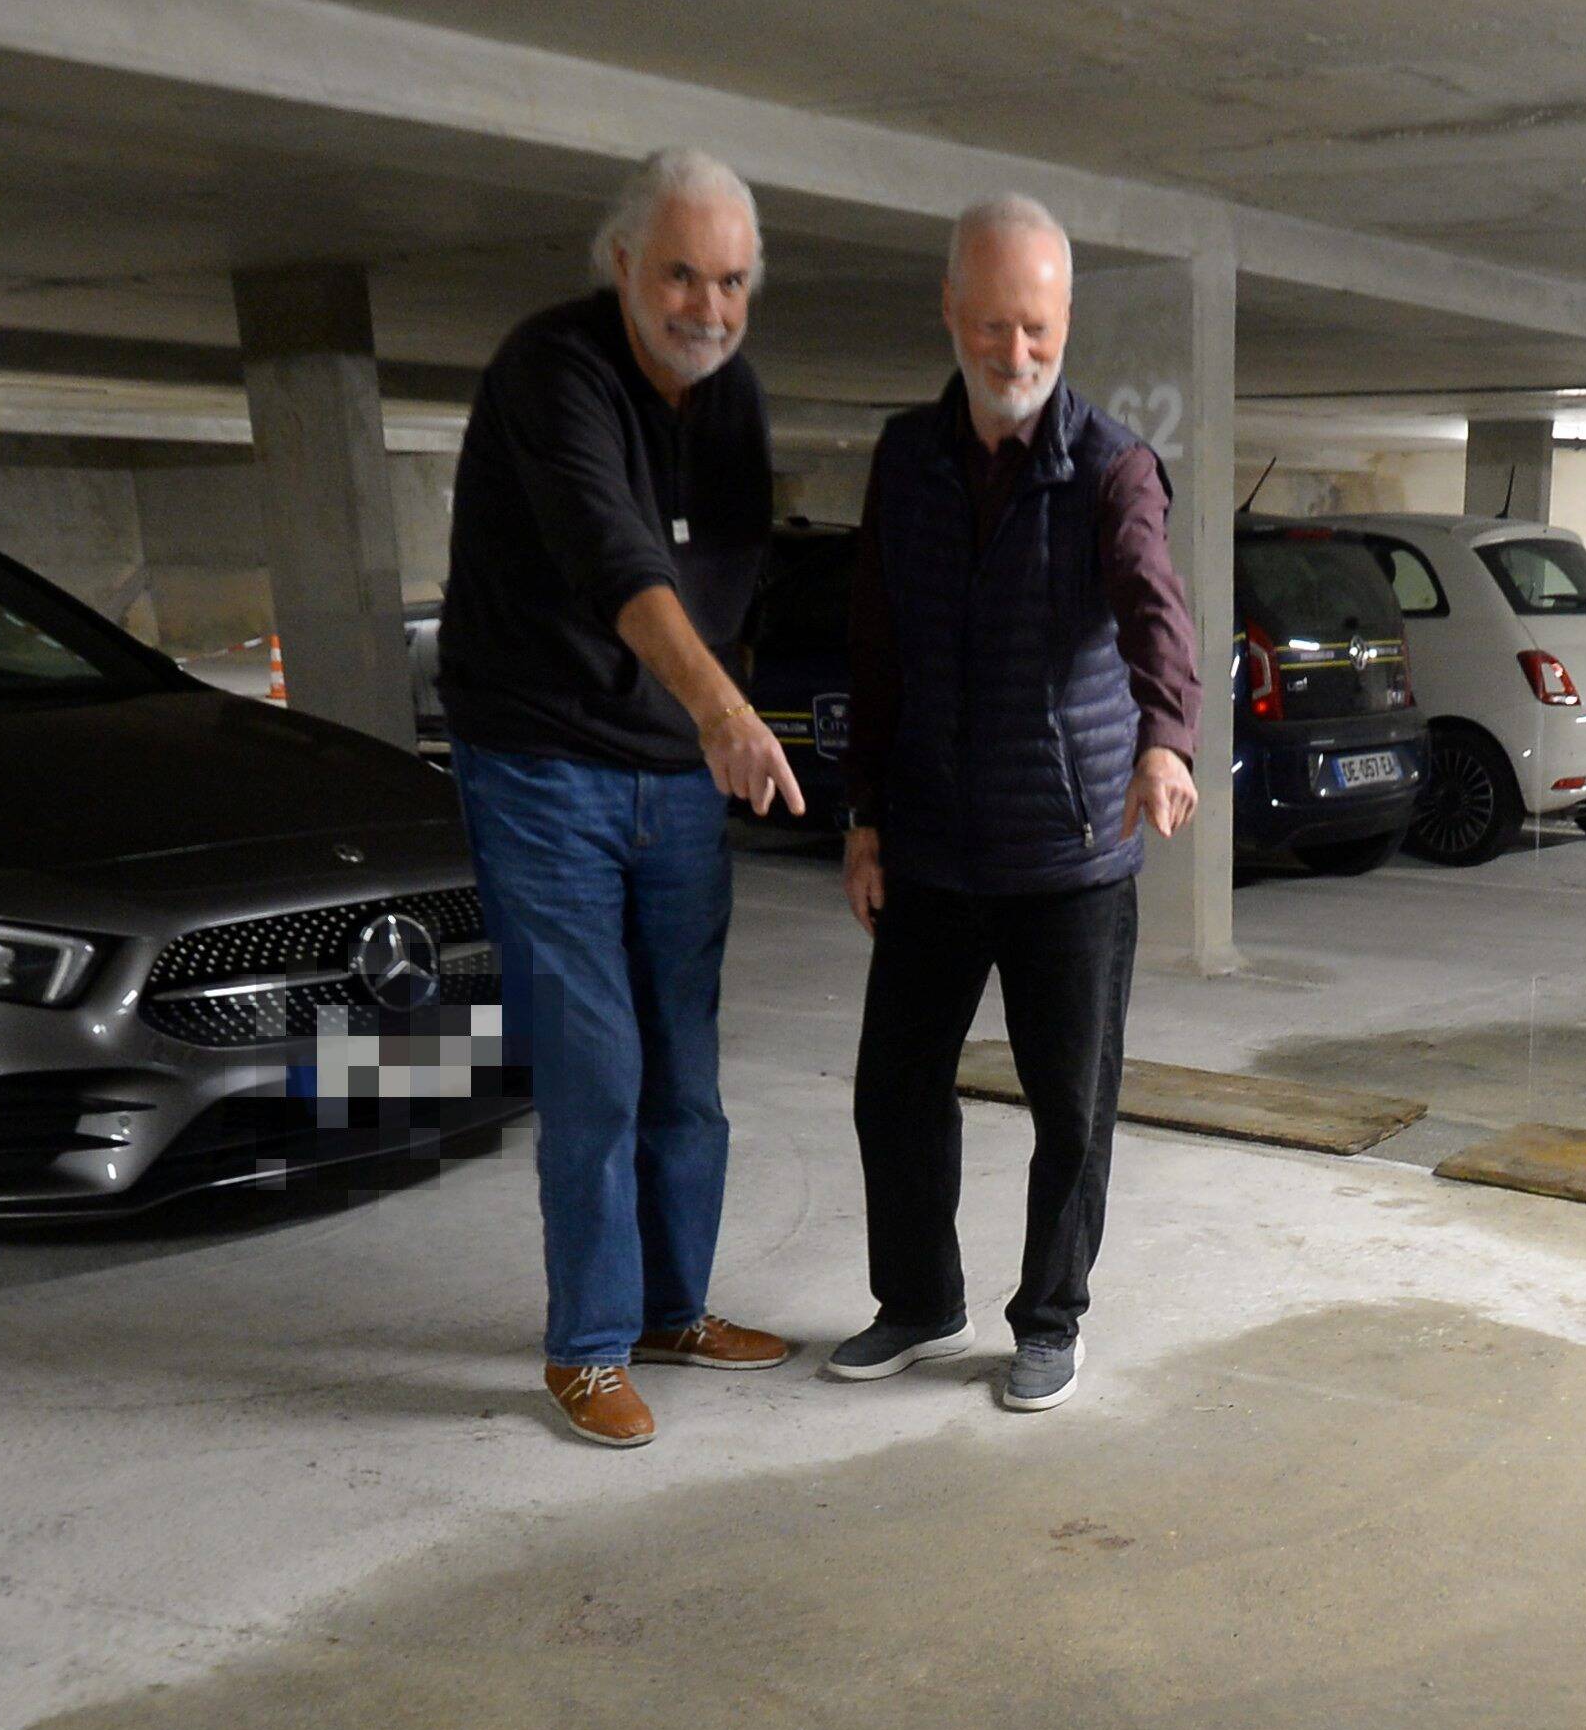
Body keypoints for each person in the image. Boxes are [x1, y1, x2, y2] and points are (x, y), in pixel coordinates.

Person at [435, 147, 807, 1448]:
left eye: (731, 282)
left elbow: (735, 566)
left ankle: (672, 1310)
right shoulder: (554, 370)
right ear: (623, 267)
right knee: (597, 1066)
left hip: (673, 783)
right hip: (543, 767)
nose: (706, 305)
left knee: (686, 1069)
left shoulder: (736, 396)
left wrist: (713, 708)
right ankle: (584, 1348)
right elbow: (618, 555)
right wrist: (722, 711)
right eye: (682, 275)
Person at [823, 195, 1199, 1416]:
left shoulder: (1109, 466)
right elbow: (874, 645)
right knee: (895, 1087)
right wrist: (865, 814)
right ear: (950, 311)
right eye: (992, 326)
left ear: (1065, 318)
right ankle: (918, 1300)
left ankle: (1049, 1320)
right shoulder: (905, 458)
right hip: (931, 842)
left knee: (1068, 1107)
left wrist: (1165, 736)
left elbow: (1153, 603)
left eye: (1036, 327)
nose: (1014, 352)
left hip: (1068, 852)